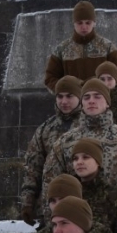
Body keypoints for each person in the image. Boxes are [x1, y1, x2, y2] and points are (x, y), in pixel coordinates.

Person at [45, 79, 117, 222]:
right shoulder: (65, 142)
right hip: (74, 224)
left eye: (97, 96)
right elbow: (51, 183)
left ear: (107, 102)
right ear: (81, 102)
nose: (91, 101)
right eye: (86, 97)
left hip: (116, 220)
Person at [19, 75, 83, 225]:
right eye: (59, 96)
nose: (64, 101)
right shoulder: (45, 130)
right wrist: (28, 202)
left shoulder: (90, 126)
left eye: (69, 96)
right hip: (51, 207)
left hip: (83, 203)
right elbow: (33, 168)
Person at [43, 0, 117, 92]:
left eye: (88, 23)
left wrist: (107, 93)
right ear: (74, 23)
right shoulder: (61, 50)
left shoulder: (108, 47)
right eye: (80, 23)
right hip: (73, 104)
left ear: (94, 23)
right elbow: (50, 78)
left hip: (102, 103)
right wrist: (66, 92)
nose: (84, 27)